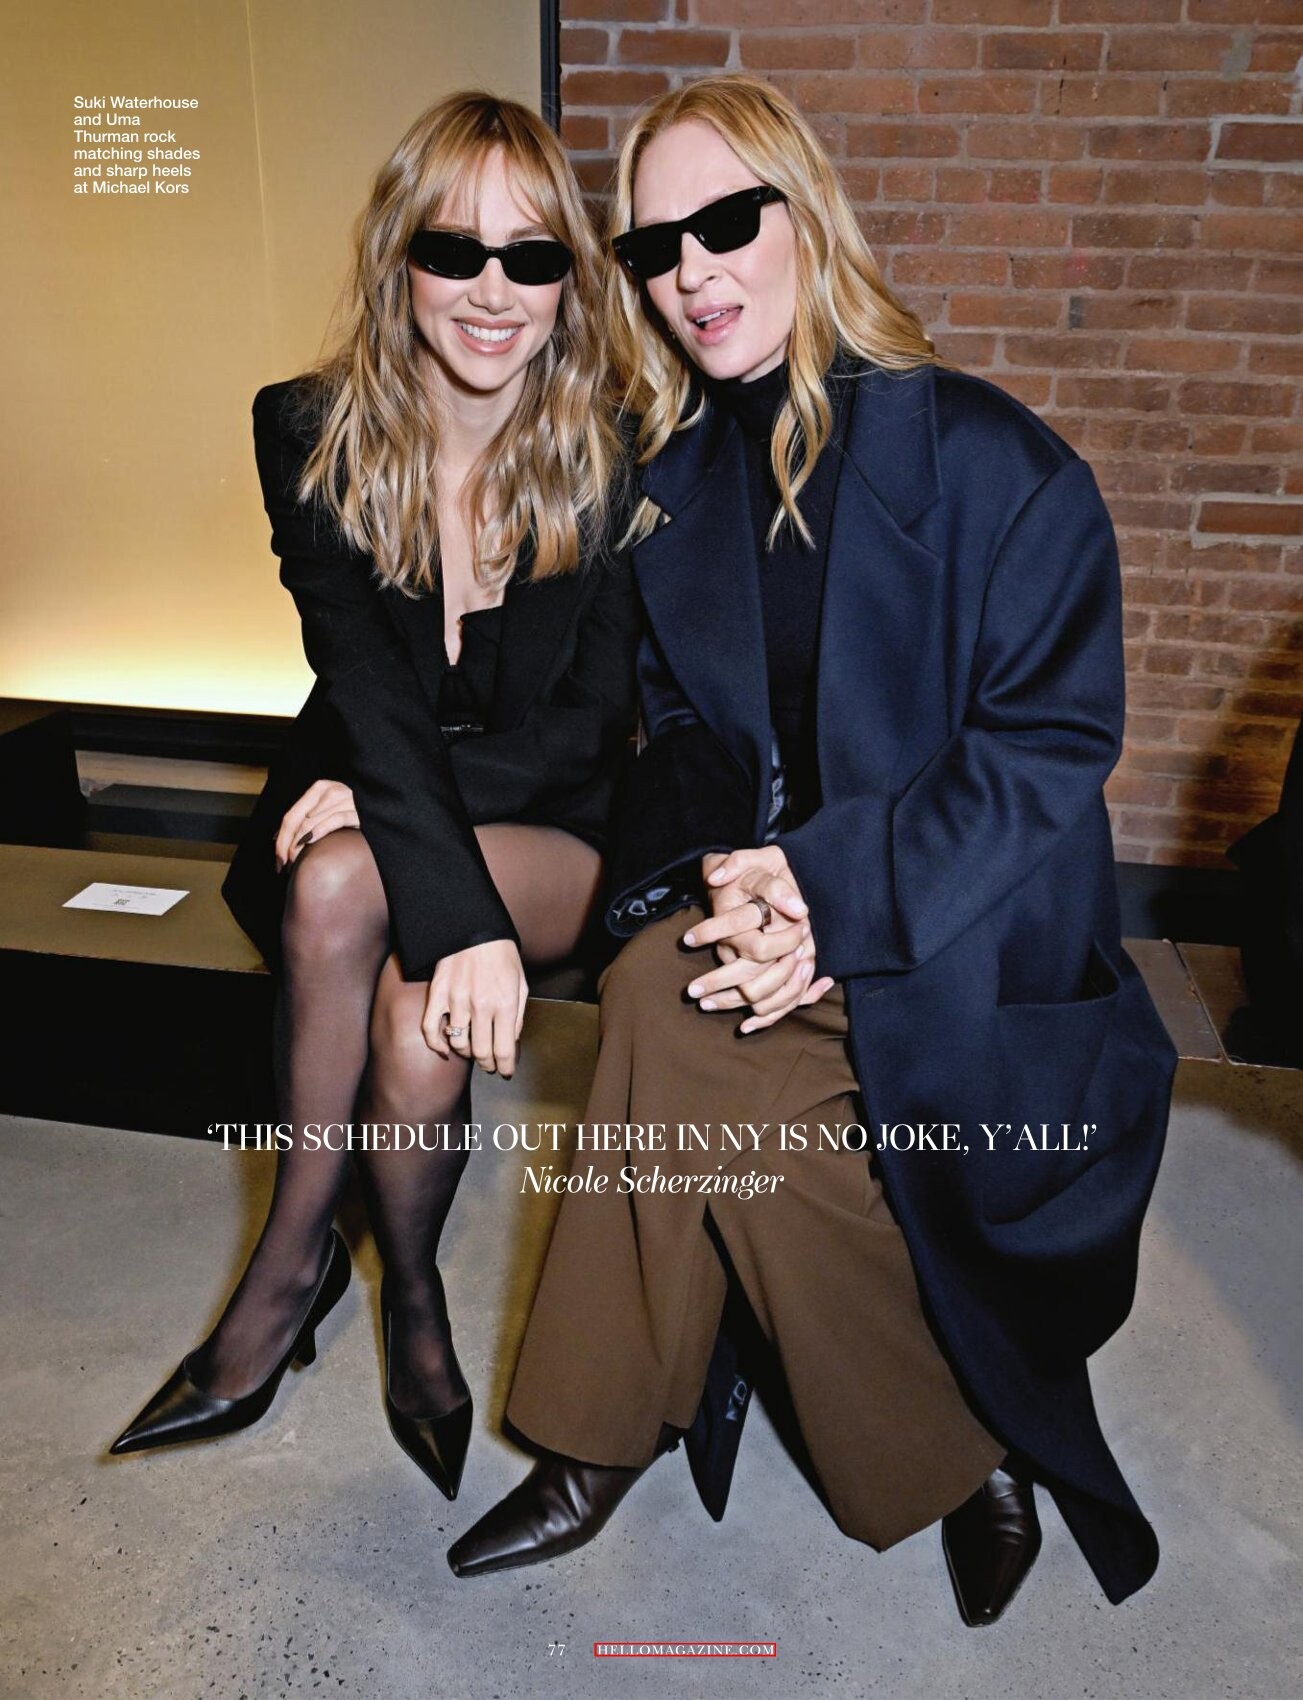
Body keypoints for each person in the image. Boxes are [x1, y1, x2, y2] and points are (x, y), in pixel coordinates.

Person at [446, 73, 1177, 1623]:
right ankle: (605, 1435)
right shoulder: (677, 483)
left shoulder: (994, 464)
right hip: (791, 900)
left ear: (806, 215)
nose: (693, 273)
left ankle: (939, 1441)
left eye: (726, 223)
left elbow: (1050, 748)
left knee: (728, 1108)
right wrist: (741, 889)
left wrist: (830, 902)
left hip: (975, 941)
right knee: (657, 997)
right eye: (656, 246)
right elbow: (682, 736)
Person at [109, 91, 640, 1502]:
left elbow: (589, 728)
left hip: (560, 828)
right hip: (369, 791)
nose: (492, 292)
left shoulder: (620, 449)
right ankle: (404, 1292)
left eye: (533, 257)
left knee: (352, 872)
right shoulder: (310, 430)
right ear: (398, 255)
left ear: (571, 281)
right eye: (453, 249)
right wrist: (404, 833)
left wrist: (396, 814)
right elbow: (359, 677)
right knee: (400, 995)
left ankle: (283, 1283)